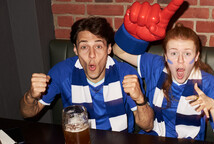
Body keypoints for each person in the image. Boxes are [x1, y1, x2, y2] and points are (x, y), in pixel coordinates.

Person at [112, 0, 214, 140]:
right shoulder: (156, 66)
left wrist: (212, 106)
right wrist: (133, 34)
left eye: (187, 53)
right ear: (166, 56)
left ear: (196, 56)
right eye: (174, 53)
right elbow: (118, 51)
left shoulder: (207, 82)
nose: (180, 60)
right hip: (151, 142)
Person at [20, 16, 154, 133]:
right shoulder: (62, 72)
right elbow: (28, 113)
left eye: (98, 46)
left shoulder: (125, 73)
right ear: (75, 49)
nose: (91, 55)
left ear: (109, 48)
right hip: (80, 143)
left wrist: (140, 100)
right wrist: (31, 96)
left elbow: (147, 126)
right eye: (84, 47)